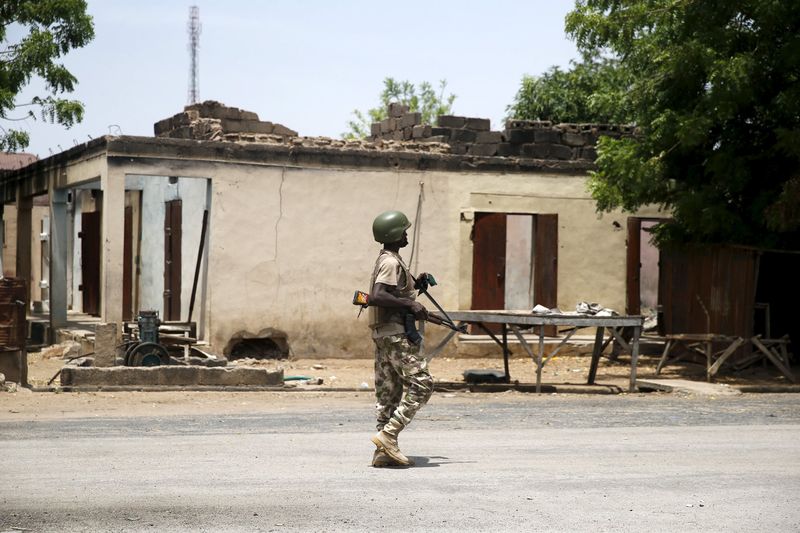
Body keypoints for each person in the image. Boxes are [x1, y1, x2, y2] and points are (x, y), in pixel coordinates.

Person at [367, 210, 434, 467]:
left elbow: (390, 292)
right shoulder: (391, 262)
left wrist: (415, 286)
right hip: (395, 334)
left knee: (389, 393)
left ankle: (384, 452)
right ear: (394, 234)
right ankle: (389, 434)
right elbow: (378, 295)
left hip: (384, 333)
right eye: (403, 231)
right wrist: (411, 305)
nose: (406, 234)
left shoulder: (389, 259)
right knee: (422, 383)